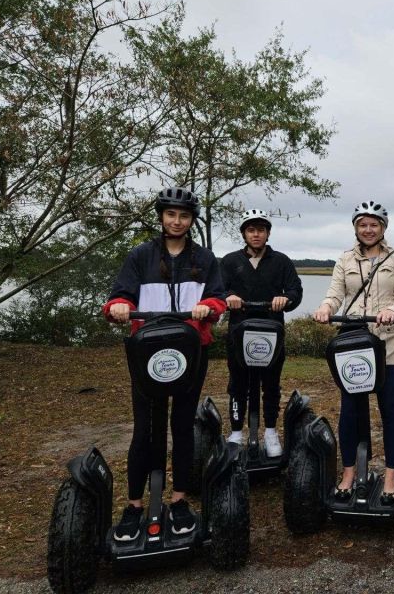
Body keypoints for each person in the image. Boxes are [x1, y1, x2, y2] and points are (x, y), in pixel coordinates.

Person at [103, 187, 226, 542]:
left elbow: (217, 297)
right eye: (171, 214)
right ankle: (135, 504)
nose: (177, 221)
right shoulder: (140, 255)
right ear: (161, 217)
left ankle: (179, 500)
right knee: (145, 428)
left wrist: (210, 309)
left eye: (184, 216)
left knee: (183, 424)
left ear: (191, 221)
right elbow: (119, 296)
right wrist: (118, 307)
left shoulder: (204, 259)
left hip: (190, 350)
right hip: (148, 351)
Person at [313, 200, 394, 504]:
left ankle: (391, 475)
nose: (368, 229)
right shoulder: (345, 259)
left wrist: (392, 310)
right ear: (356, 228)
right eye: (362, 224)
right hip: (354, 344)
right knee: (351, 410)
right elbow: (335, 293)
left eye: (374, 224)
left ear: (383, 227)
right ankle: (350, 471)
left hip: (388, 344)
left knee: (389, 410)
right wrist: (326, 307)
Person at [220, 208, 303, 456]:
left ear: (268, 233)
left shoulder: (281, 261)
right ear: (244, 233)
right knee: (237, 384)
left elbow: (295, 291)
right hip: (239, 331)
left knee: (271, 384)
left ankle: (270, 430)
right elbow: (216, 291)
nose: (256, 235)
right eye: (251, 230)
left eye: (261, 230)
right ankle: (236, 431)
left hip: (271, 333)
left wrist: (285, 299)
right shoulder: (230, 261)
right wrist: (228, 297)